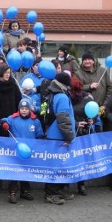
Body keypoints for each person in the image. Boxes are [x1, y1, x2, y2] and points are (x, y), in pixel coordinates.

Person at [43, 72, 76, 205]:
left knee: (58, 165)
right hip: (59, 137)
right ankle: (51, 193)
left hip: (53, 135)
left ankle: (60, 189)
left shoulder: (51, 94)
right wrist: (68, 136)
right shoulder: (62, 96)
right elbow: (63, 118)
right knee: (56, 166)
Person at [1, 99, 43, 203]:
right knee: (15, 172)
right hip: (16, 151)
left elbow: (40, 135)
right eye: (22, 108)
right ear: (19, 109)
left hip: (29, 151)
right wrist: (5, 124)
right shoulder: (13, 118)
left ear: (30, 110)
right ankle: (12, 192)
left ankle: (25, 191)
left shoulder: (35, 121)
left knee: (26, 171)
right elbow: (3, 121)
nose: (24, 110)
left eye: (26, 109)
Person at [69, 76, 101, 196]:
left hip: (83, 134)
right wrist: (76, 124)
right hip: (71, 132)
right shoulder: (66, 98)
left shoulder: (86, 99)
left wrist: (91, 120)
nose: (75, 93)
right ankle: (66, 184)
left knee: (81, 160)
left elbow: (93, 114)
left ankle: (81, 184)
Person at [0, 64, 22, 136]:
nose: (8, 74)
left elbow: (19, 100)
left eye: (9, 72)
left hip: (12, 118)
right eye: (6, 72)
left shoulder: (13, 84)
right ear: (1, 72)